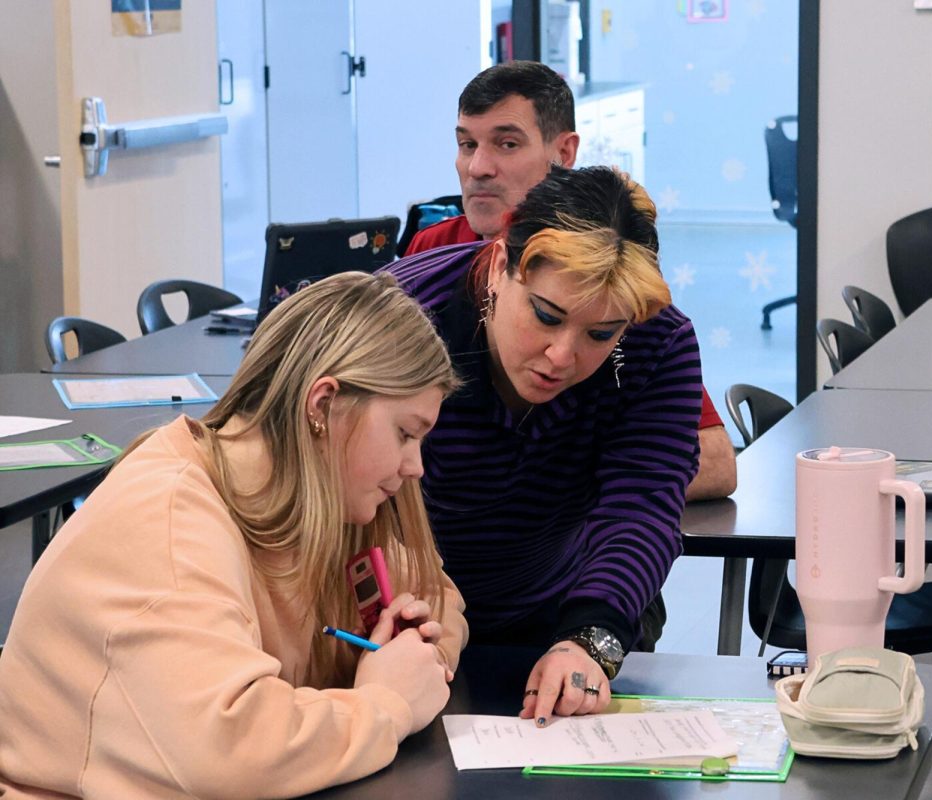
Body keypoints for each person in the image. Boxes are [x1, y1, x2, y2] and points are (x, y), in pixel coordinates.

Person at [0, 273, 466, 799]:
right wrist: (384, 705)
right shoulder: (169, 521)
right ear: (322, 406)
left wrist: (413, 656)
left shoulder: (316, 499)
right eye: (405, 433)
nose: (416, 467)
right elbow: (228, 750)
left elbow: (437, 596)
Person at [383, 165, 699, 727]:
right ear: (503, 263)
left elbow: (642, 504)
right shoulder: (401, 315)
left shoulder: (655, 343)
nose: (561, 355)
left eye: (601, 334)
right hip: (403, 614)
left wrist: (588, 639)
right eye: (546, 316)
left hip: (555, 604)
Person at [405, 60, 736, 502]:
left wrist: (549, 489)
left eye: (506, 143)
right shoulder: (430, 254)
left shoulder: (613, 263)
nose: (478, 167)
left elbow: (713, 461)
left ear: (564, 153)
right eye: (467, 144)